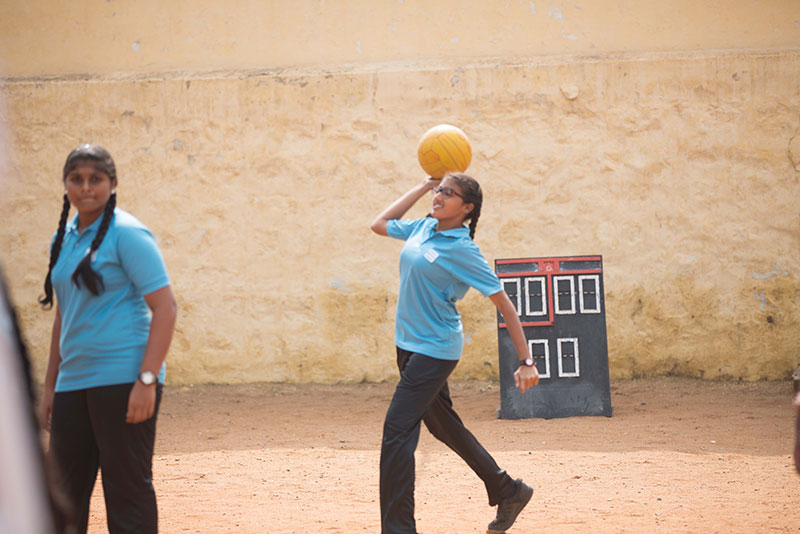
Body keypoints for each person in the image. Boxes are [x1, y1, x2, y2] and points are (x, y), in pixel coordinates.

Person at [370, 172, 540, 534]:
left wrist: (526, 362)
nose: (440, 196)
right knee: (444, 427)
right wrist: (422, 186)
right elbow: (380, 224)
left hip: (436, 350)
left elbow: (505, 306)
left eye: (449, 193)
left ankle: (398, 529)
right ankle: (507, 490)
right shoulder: (422, 228)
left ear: (467, 208)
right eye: (439, 189)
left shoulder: (463, 250)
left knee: (397, 430)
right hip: (409, 346)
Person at [38, 144, 177, 534]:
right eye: (76, 179)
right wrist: (51, 386)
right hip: (73, 384)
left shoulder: (128, 234)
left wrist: (147, 380)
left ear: (112, 184)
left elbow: (165, 308)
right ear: (65, 184)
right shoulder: (62, 237)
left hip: (124, 380)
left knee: (127, 491)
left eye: (95, 179)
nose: (86, 188)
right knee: (63, 495)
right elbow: (64, 316)